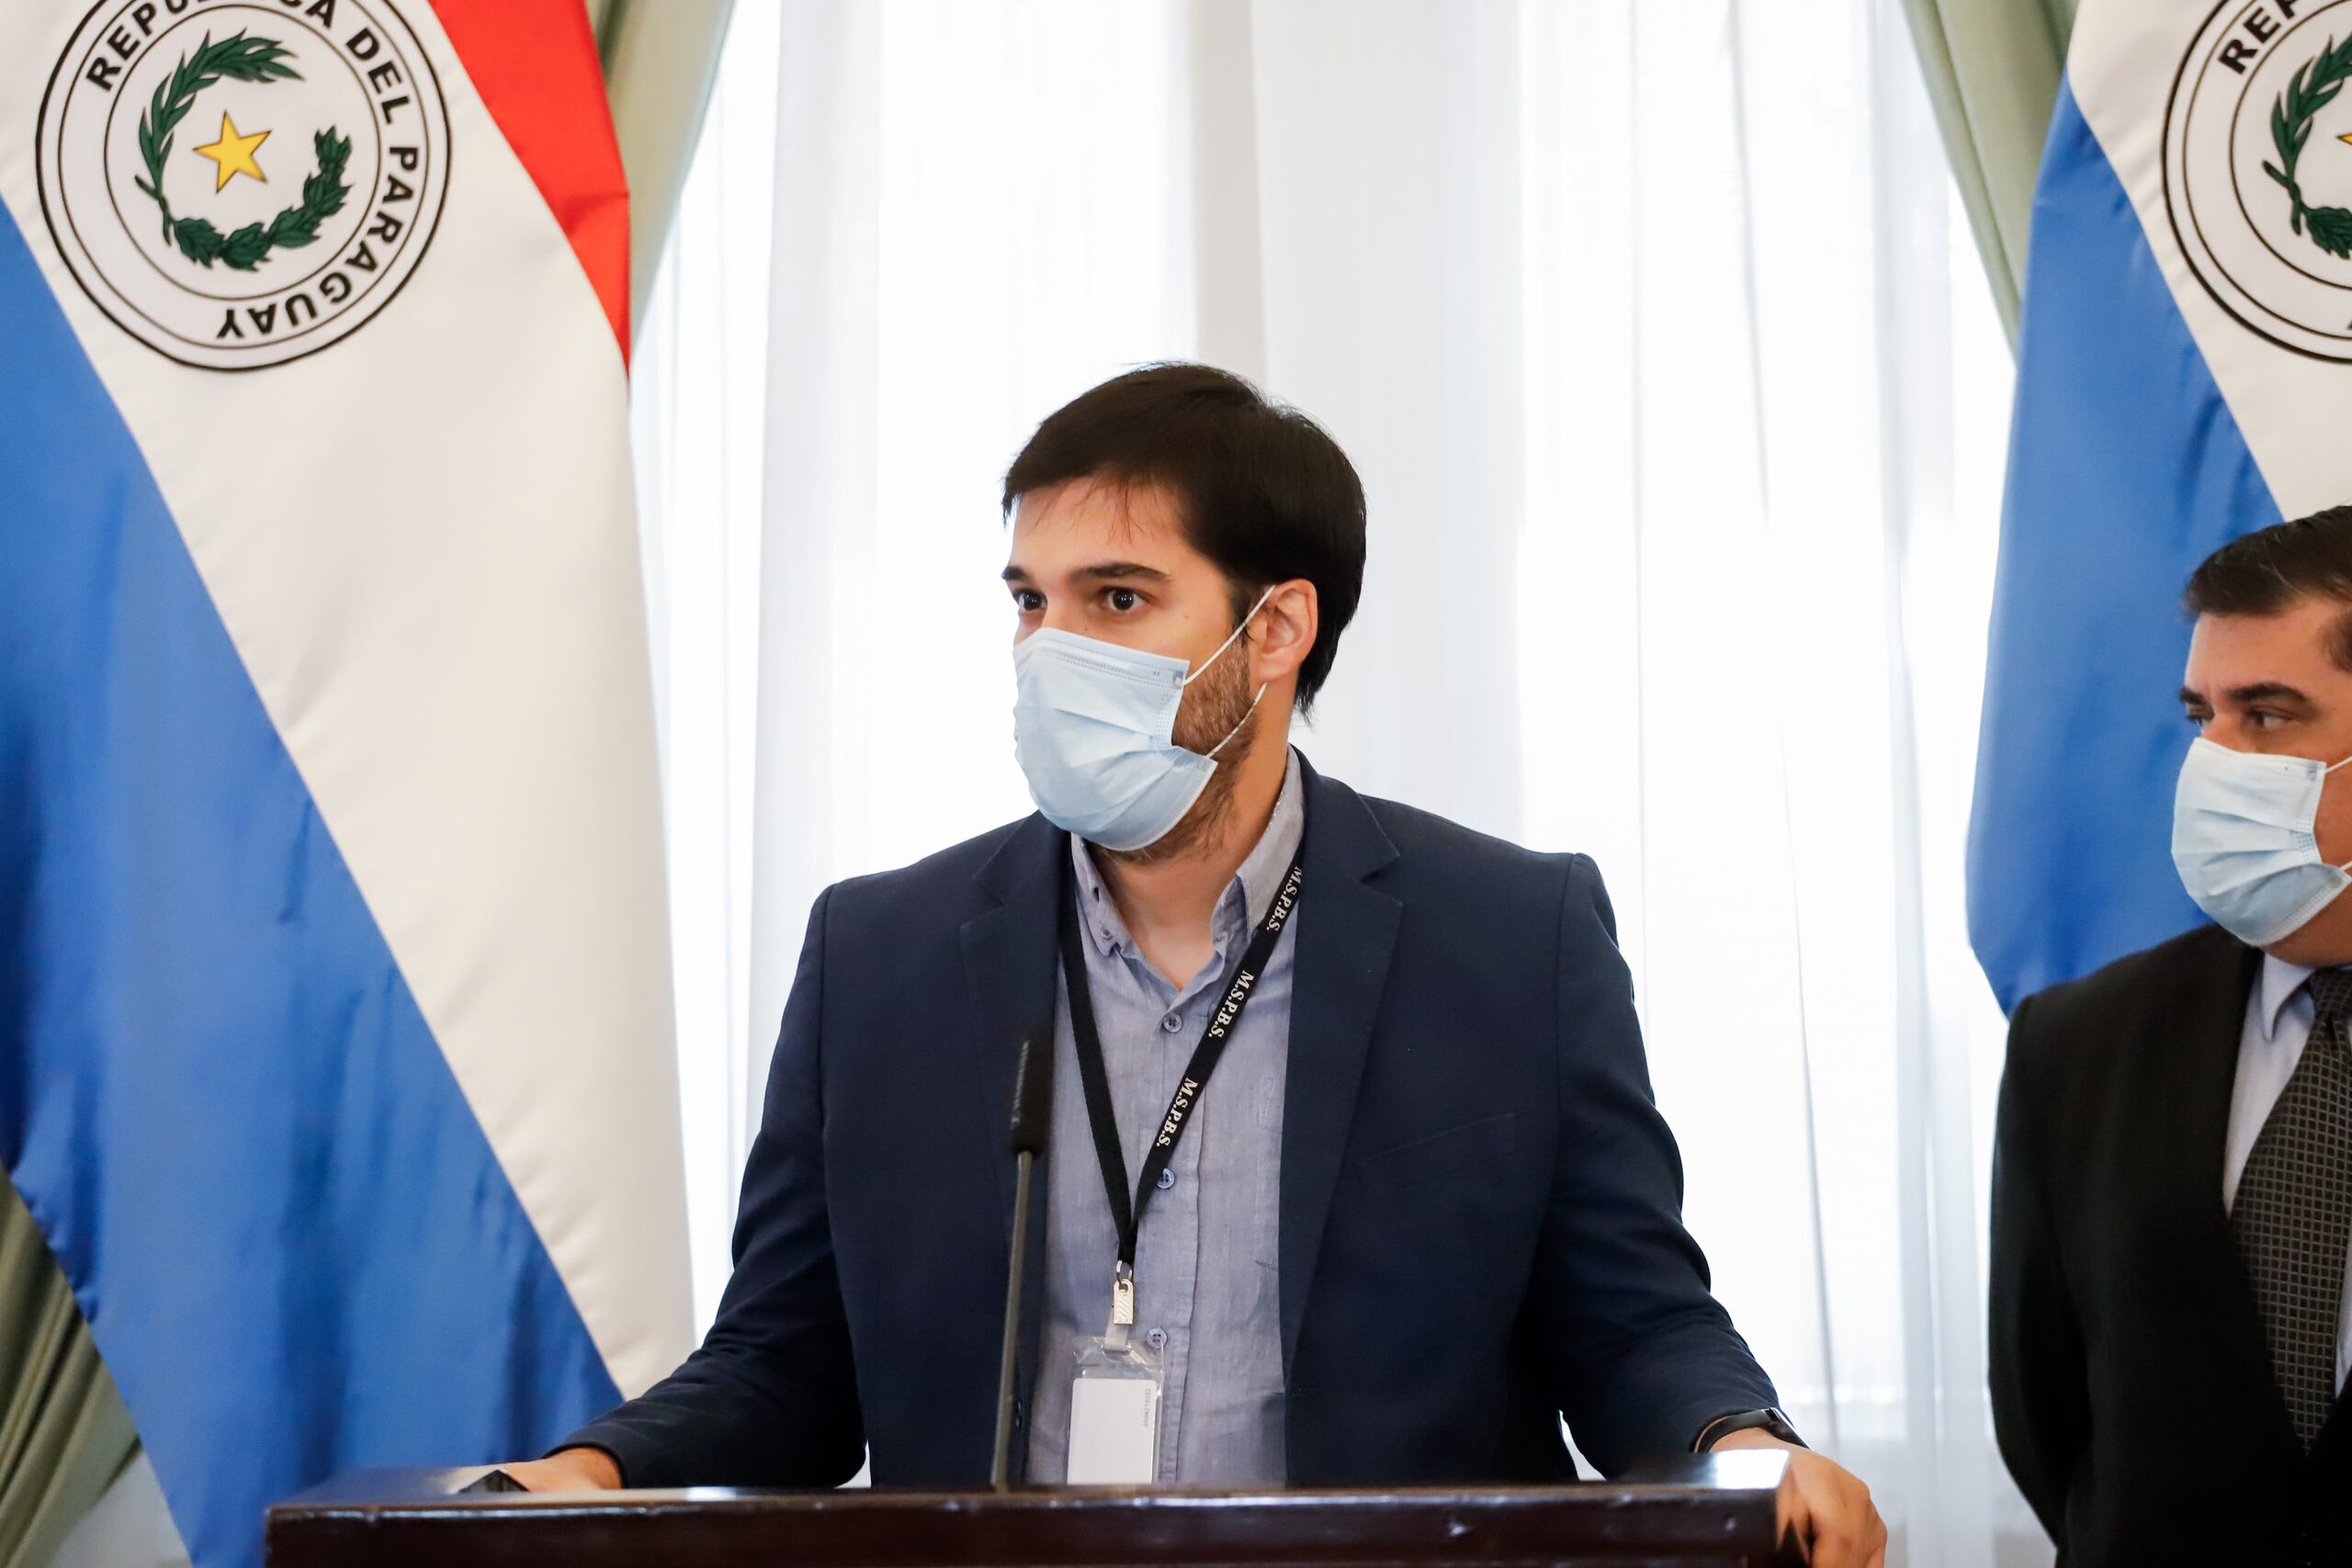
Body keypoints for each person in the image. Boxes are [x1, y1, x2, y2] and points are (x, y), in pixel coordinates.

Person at [503, 364, 1883, 1564]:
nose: (1050, 651)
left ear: (1274, 630)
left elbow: (1635, 1323)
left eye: (1116, 597)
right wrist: (589, 1468)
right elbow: (786, 1359)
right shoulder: (884, 952)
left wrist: (1745, 1444)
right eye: (1030, 600)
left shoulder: (1511, 936)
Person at [1991, 506, 2352, 1565]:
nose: (2214, 759)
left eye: (2269, 715)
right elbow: (2045, 1409)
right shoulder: (2077, 1044)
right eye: (2202, 714)